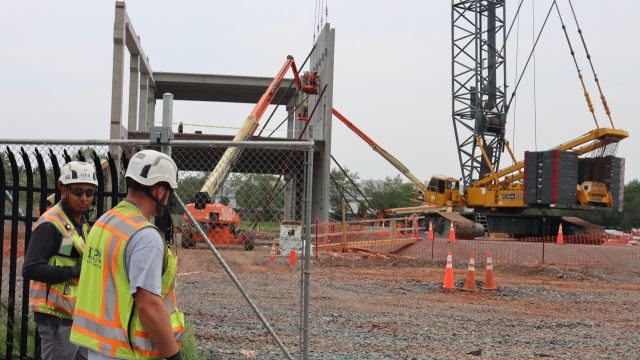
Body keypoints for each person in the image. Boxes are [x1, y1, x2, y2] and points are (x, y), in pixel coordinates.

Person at [70, 150, 184, 360]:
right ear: (160, 192)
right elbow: (148, 305)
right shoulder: (145, 236)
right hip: (126, 351)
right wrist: (173, 355)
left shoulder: (104, 222)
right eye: (169, 191)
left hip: (96, 347)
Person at [23, 161, 98, 360]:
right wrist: (74, 272)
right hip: (54, 316)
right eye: (78, 191)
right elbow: (30, 269)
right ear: (63, 191)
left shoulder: (80, 223)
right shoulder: (50, 223)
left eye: (89, 193)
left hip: (76, 315)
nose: (84, 198)